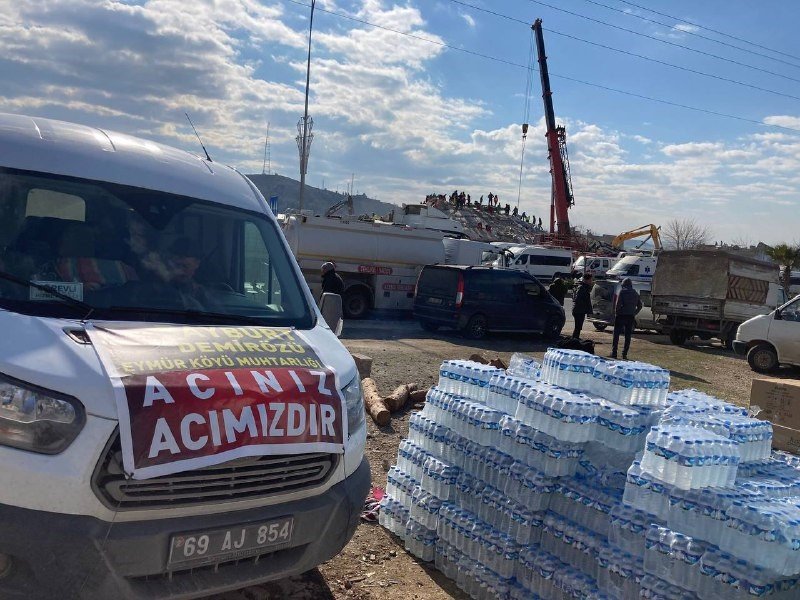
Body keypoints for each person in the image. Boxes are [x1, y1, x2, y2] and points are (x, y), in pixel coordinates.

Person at [611, 278, 642, 359]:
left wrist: (616, 313)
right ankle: (624, 354)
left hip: (621, 315)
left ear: (624, 285)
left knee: (616, 335)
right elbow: (640, 306)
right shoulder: (635, 293)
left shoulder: (622, 292)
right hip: (630, 316)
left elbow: (618, 305)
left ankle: (614, 353)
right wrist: (634, 313)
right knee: (628, 336)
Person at [572, 273, 593, 339]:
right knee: (578, 327)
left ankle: (575, 339)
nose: (591, 281)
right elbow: (578, 299)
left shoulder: (585, 287)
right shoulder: (582, 288)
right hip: (578, 311)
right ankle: (574, 340)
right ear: (587, 280)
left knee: (579, 327)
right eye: (590, 280)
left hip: (581, 310)